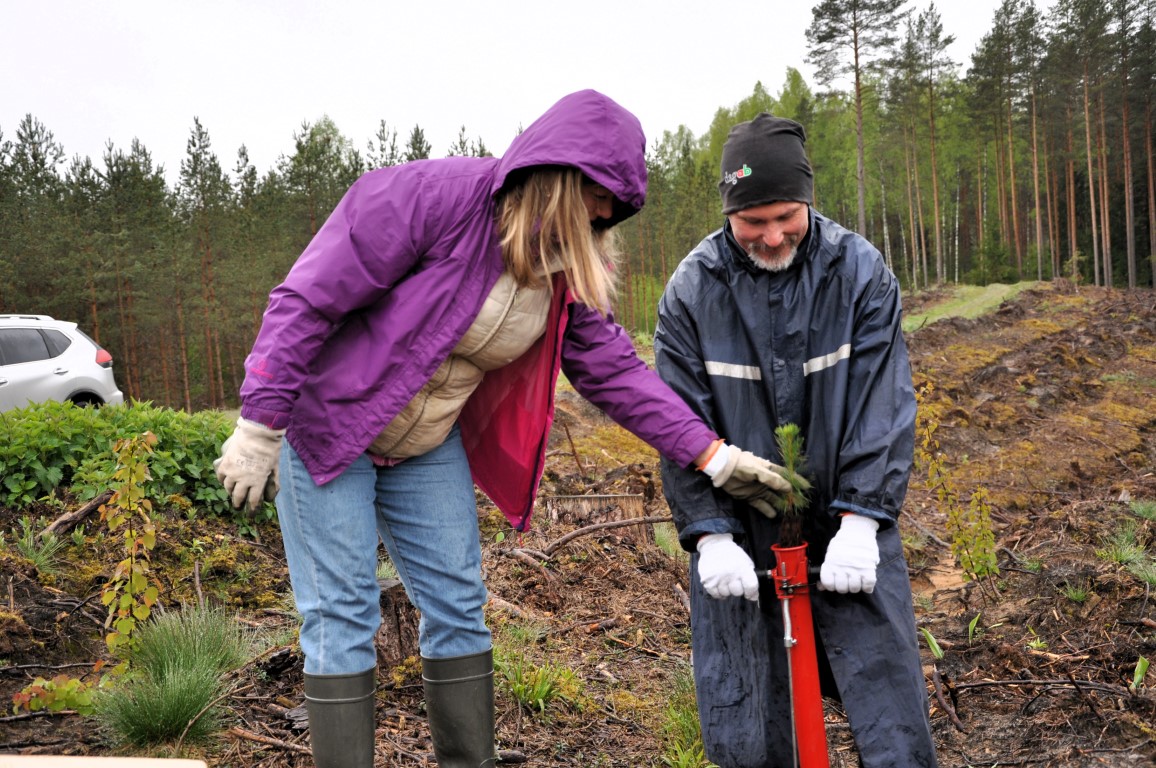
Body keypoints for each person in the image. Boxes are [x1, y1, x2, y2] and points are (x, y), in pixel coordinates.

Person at [213, 90, 791, 768]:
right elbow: (305, 301)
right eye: (593, 204)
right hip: (329, 432)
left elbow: (614, 371)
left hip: (426, 444)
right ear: (557, 179)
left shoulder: (561, 269)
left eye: (609, 213)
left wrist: (713, 456)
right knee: (343, 613)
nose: (597, 222)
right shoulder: (424, 199)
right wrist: (259, 426)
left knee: (458, 607)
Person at [654, 114, 939, 768]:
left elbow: (882, 403)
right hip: (743, 527)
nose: (773, 235)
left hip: (847, 515)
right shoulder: (693, 291)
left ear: (808, 199)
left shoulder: (858, 272)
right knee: (751, 717)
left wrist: (863, 519)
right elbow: (678, 421)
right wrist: (709, 533)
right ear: (728, 212)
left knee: (889, 706)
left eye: (786, 216)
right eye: (752, 221)